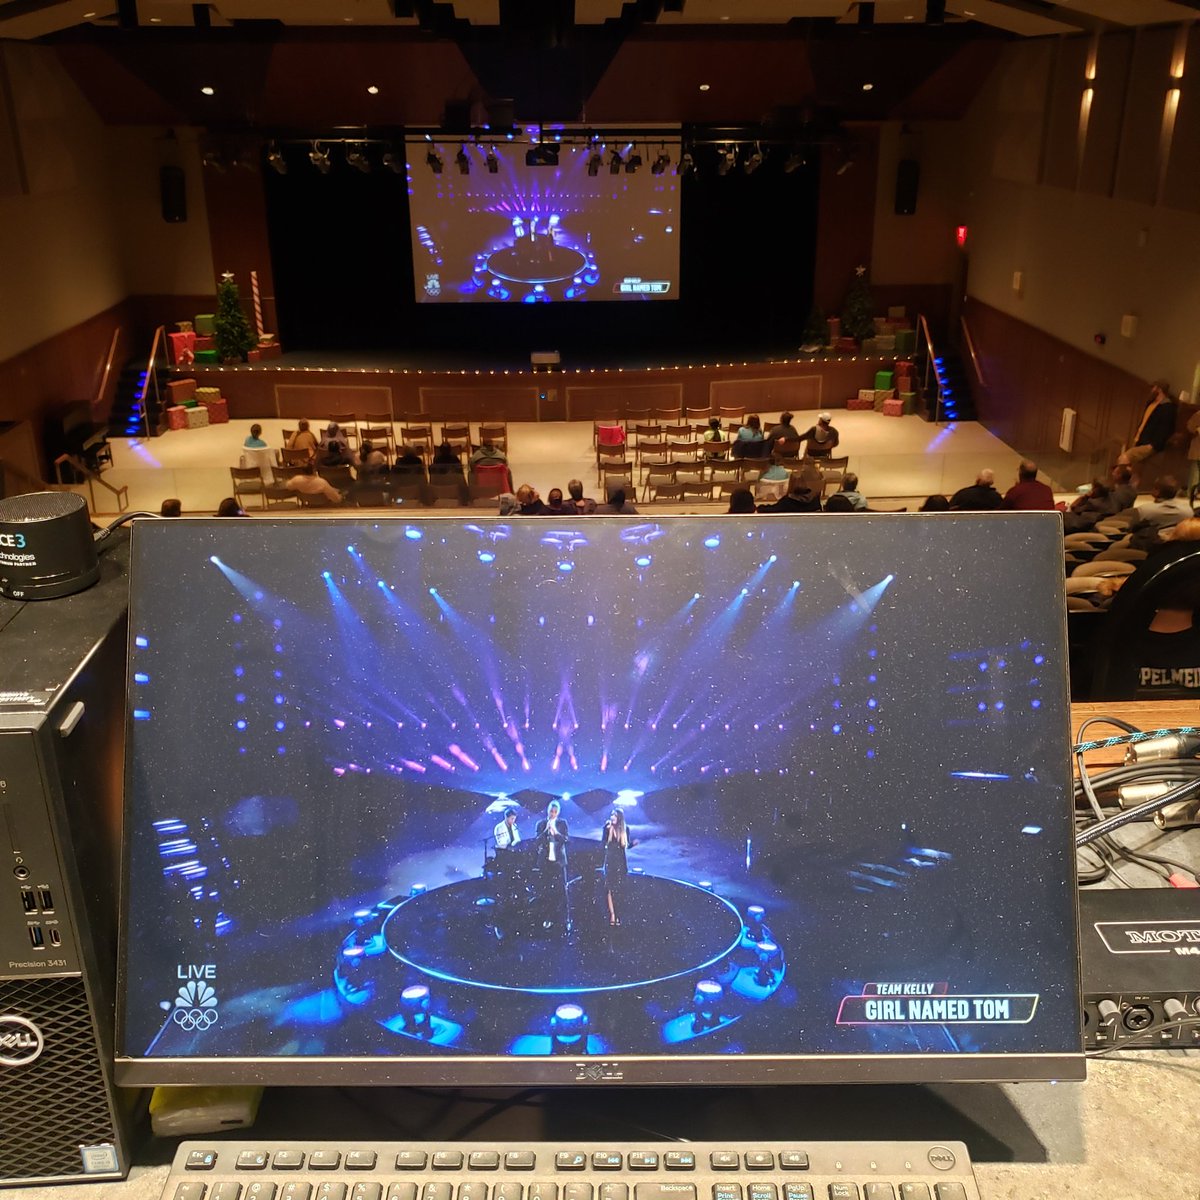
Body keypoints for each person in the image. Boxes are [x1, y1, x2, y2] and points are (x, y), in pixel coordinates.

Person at [1127, 476, 1192, 551]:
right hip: (1179, 549)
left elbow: (1130, 528)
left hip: (1149, 549)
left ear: (1157, 491)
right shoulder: (1188, 510)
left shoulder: (1144, 510)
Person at [534, 800, 570, 934]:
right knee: (545, 891)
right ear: (547, 811)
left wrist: (555, 832)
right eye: (551, 811)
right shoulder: (541, 824)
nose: (553, 814)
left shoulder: (562, 823)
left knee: (562, 891)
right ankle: (547, 918)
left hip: (559, 862)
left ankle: (565, 919)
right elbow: (537, 841)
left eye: (555, 812)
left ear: (558, 812)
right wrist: (545, 831)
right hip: (545, 863)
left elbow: (566, 840)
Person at [1122, 380, 1177, 465]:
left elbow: (1165, 428)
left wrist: (1154, 444)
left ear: (1159, 389)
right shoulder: (1151, 404)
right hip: (1140, 440)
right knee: (1136, 469)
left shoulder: (1167, 407)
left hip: (1150, 444)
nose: (1151, 390)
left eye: (1153, 388)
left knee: (1125, 457)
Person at [602, 809, 636, 927]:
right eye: (611, 815)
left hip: (620, 863)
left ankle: (619, 914)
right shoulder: (607, 827)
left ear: (619, 818)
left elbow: (626, 845)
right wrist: (608, 831)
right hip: (610, 862)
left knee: (620, 889)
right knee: (609, 889)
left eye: (614, 815)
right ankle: (612, 914)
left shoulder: (625, 829)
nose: (612, 817)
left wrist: (633, 844)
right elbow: (603, 842)